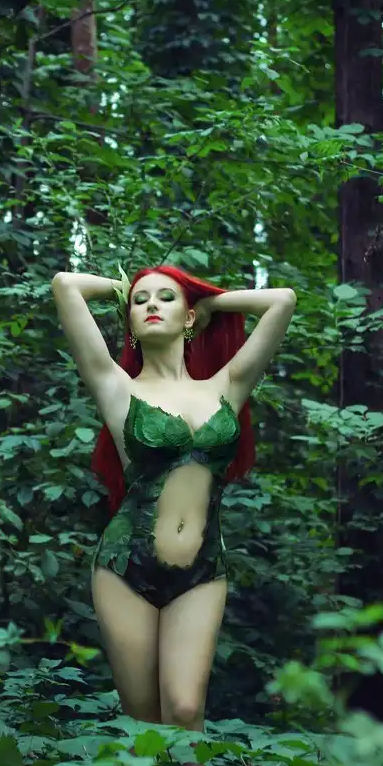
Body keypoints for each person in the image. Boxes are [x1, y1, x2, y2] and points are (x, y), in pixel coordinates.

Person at [51, 264, 297, 735]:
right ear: (129, 320)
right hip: (125, 567)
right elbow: (65, 285)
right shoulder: (116, 386)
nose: (151, 305)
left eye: (166, 298)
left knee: (185, 712)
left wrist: (205, 300)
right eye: (141, 301)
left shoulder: (226, 385)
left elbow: (282, 300)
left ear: (188, 318)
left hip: (202, 570)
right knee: (147, 726)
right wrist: (122, 288)